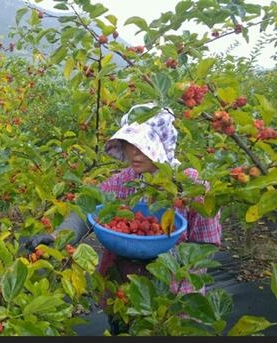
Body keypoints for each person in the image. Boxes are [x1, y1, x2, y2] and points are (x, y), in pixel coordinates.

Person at [25, 104, 222, 332]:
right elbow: (86, 210)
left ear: (162, 145)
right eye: (130, 144)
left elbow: (207, 245)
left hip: (171, 295)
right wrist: (56, 236)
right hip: (122, 286)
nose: (134, 152)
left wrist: (168, 257)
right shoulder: (122, 182)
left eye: (143, 144)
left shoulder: (193, 188)